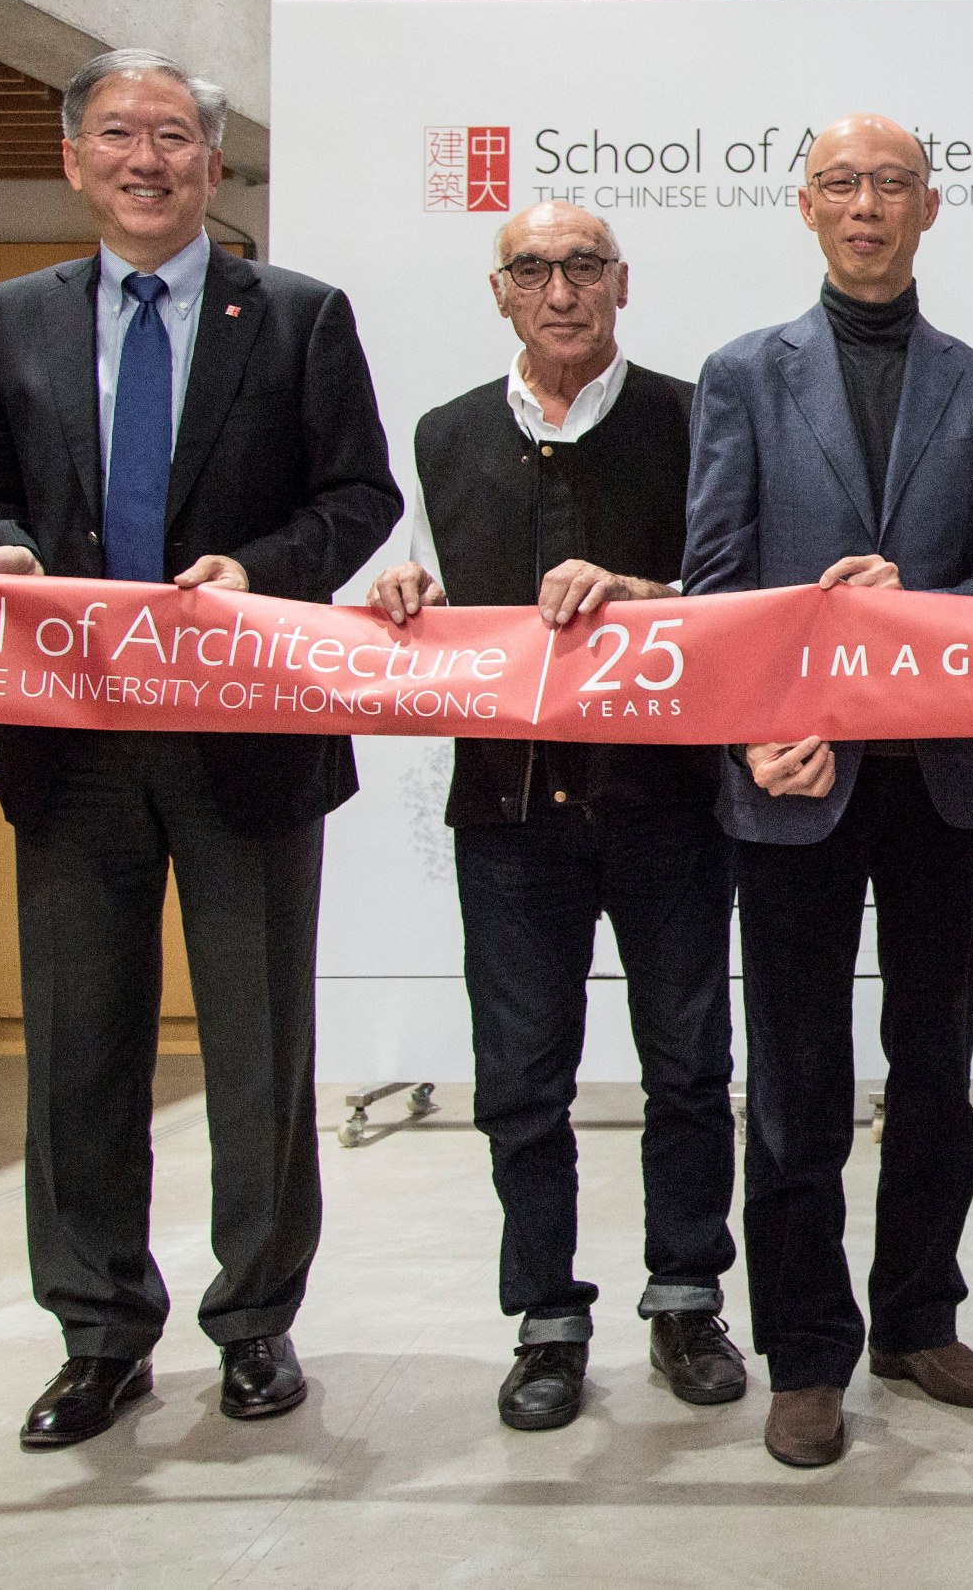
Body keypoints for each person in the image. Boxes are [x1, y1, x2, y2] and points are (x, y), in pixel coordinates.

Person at [0, 49, 400, 1447]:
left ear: (215, 164)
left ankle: (255, 1321)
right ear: (74, 160)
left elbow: (359, 494)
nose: (147, 160)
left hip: (249, 736)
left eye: (174, 138)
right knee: (80, 1050)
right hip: (71, 740)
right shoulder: (10, 318)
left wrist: (255, 571)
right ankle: (98, 1332)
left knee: (261, 1050)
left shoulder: (297, 316)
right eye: (117, 136)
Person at [364, 203, 743, 1433]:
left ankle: (687, 1293)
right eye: (533, 269)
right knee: (519, 1077)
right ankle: (546, 1317)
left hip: (666, 802)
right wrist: (404, 588)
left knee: (688, 1064)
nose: (561, 290)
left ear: (622, 284)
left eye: (585, 267)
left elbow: (740, 603)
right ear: (500, 291)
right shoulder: (446, 433)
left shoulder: (696, 416)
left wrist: (645, 592)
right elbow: (434, 583)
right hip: (509, 807)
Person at [684, 114, 973, 1469]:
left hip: (942, 778)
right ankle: (808, 1352)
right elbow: (714, 587)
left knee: (937, 1071)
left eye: (892, 184)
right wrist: (752, 731)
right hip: (795, 778)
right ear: (806, 205)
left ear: (931, 208)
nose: (867, 205)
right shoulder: (741, 376)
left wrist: (925, 606)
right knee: (797, 1079)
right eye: (842, 183)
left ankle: (916, 1315)